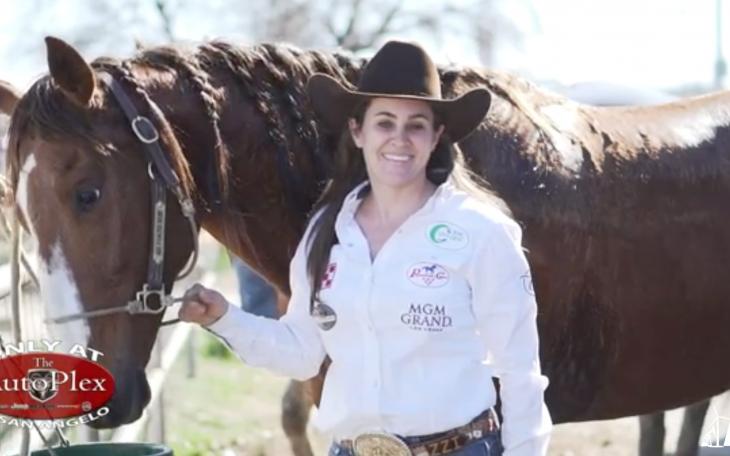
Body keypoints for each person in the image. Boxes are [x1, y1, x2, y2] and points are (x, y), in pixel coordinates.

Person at [179, 40, 552, 456]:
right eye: (384, 123)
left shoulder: (481, 231)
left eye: (416, 125)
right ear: (358, 131)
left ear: (436, 136)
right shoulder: (327, 231)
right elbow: (302, 353)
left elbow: (520, 371)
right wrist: (223, 318)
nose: (400, 139)